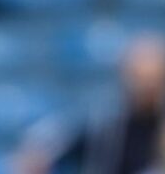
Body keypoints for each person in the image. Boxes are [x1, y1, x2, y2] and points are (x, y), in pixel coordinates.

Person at [19, 36, 165, 174]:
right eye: (139, 77)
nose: (146, 86)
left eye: (153, 79)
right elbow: (41, 148)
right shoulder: (103, 126)